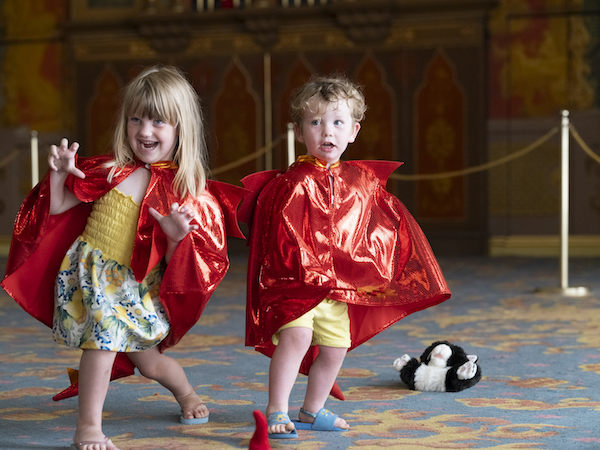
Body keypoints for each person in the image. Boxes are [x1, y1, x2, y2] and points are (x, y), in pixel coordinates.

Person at [1, 66, 246, 450]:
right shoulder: (111, 169)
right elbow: (63, 204)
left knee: (149, 363)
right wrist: (58, 175)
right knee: (99, 347)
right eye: (137, 118)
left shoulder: (185, 191)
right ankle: (89, 429)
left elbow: (189, 261)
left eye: (158, 121)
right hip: (95, 277)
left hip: (134, 287)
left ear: (181, 128)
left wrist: (176, 235)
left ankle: (185, 394)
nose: (145, 131)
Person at [241, 75, 451, 438]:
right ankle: (278, 408)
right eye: (316, 122)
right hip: (296, 284)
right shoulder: (291, 182)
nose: (327, 131)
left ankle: (312, 409)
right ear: (299, 129)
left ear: (353, 131)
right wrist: (302, 272)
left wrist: (375, 269)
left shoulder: (362, 181)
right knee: (297, 339)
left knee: (336, 349)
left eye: (338, 122)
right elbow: (277, 237)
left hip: (339, 289)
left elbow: (381, 226)